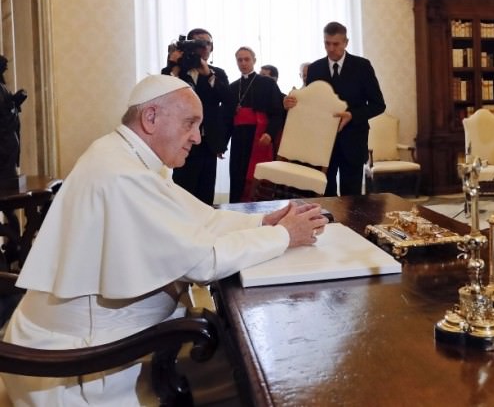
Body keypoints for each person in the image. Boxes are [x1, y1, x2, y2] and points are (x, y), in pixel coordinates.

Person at [0, 74, 328, 405]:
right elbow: (204, 263)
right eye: (190, 123)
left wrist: (261, 222)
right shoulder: (122, 173)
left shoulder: (127, 155)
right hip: (82, 364)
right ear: (151, 117)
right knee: (257, 376)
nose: (197, 137)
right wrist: (284, 235)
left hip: (118, 334)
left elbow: (200, 218)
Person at [285, 22, 385, 196]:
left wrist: (352, 115)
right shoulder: (315, 68)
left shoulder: (362, 66)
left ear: (346, 42)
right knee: (326, 195)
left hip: (353, 141)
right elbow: (310, 106)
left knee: (352, 198)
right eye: (327, 43)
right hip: (322, 144)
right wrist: (291, 104)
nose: (331, 49)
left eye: (336, 44)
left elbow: (379, 105)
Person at [162, 28, 230, 205]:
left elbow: (227, 99)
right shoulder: (176, 71)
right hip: (183, 140)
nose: (204, 47)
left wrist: (208, 74)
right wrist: (174, 65)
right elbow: (164, 93)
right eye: (199, 43)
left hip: (208, 142)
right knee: (183, 190)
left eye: (208, 43)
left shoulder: (217, 73)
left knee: (206, 192)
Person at [225, 47, 285, 202]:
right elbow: (227, 118)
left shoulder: (267, 83)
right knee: (238, 176)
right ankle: (237, 209)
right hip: (239, 140)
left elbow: (277, 112)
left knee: (259, 178)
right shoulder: (232, 87)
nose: (243, 63)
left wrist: (269, 133)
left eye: (247, 59)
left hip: (259, 137)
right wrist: (222, 144)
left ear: (254, 61)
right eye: (240, 60)